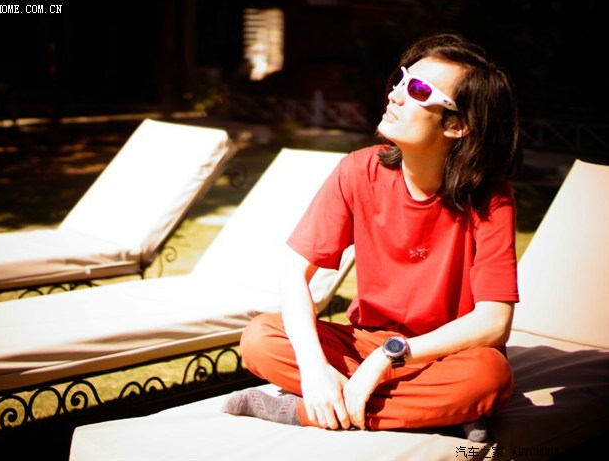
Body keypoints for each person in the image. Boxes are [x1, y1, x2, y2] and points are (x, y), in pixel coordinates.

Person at [222, 32, 523, 442]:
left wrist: (385, 361)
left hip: (443, 353)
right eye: (401, 79)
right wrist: (313, 369)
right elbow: (294, 273)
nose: (396, 94)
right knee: (260, 338)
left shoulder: (490, 197)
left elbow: (494, 322)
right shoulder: (357, 171)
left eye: (418, 90)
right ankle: (436, 412)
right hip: (363, 342)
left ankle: (303, 412)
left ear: (456, 124)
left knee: (488, 377)